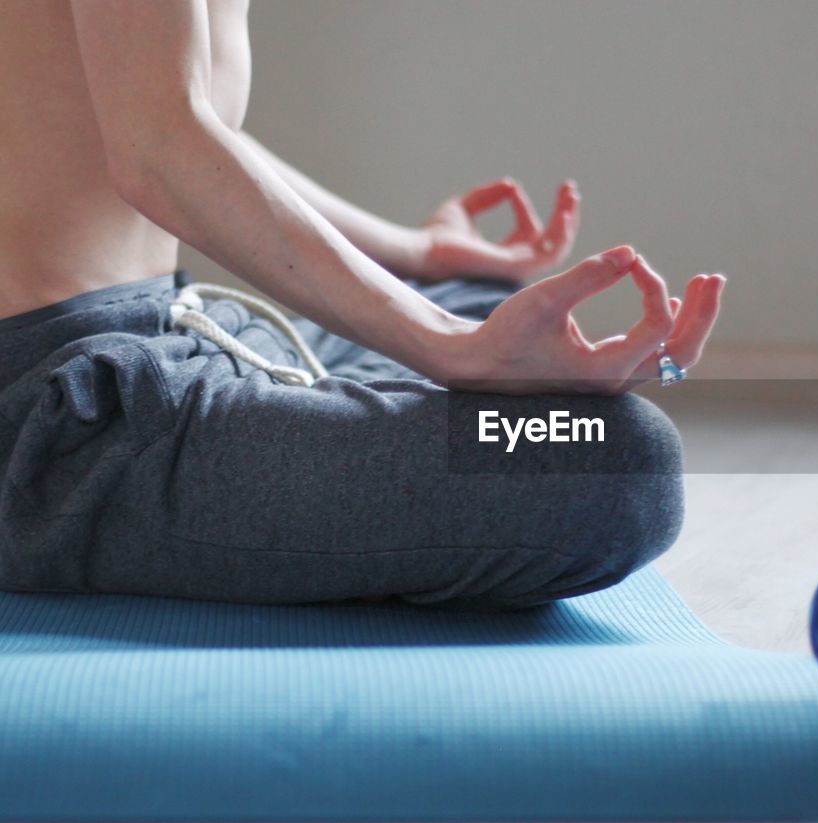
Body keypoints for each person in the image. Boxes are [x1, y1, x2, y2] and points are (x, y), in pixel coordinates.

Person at [0, 0, 725, 610]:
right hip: (61, 424)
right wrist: (451, 345)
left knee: (489, 308)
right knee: (606, 457)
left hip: (168, 326)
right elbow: (159, 146)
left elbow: (192, 130)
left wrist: (414, 258)